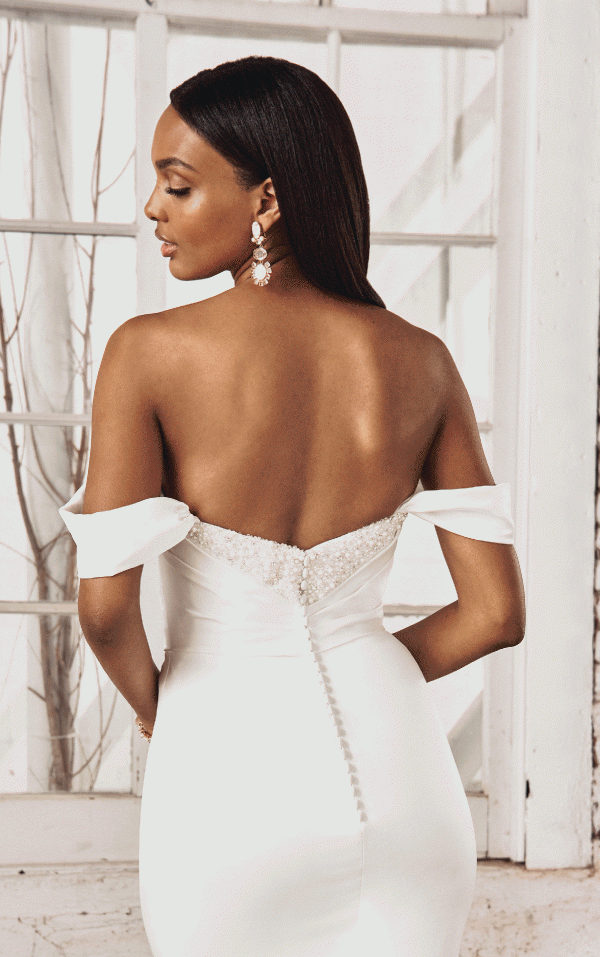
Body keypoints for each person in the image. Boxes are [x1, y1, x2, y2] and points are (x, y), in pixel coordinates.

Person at [60, 56, 525, 957]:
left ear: (266, 200)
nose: (153, 209)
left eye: (177, 185)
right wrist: (371, 666)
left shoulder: (149, 353)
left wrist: (165, 708)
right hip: (414, 805)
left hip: (231, 793)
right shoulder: (421, 360)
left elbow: (105, 607)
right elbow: (498, 614)